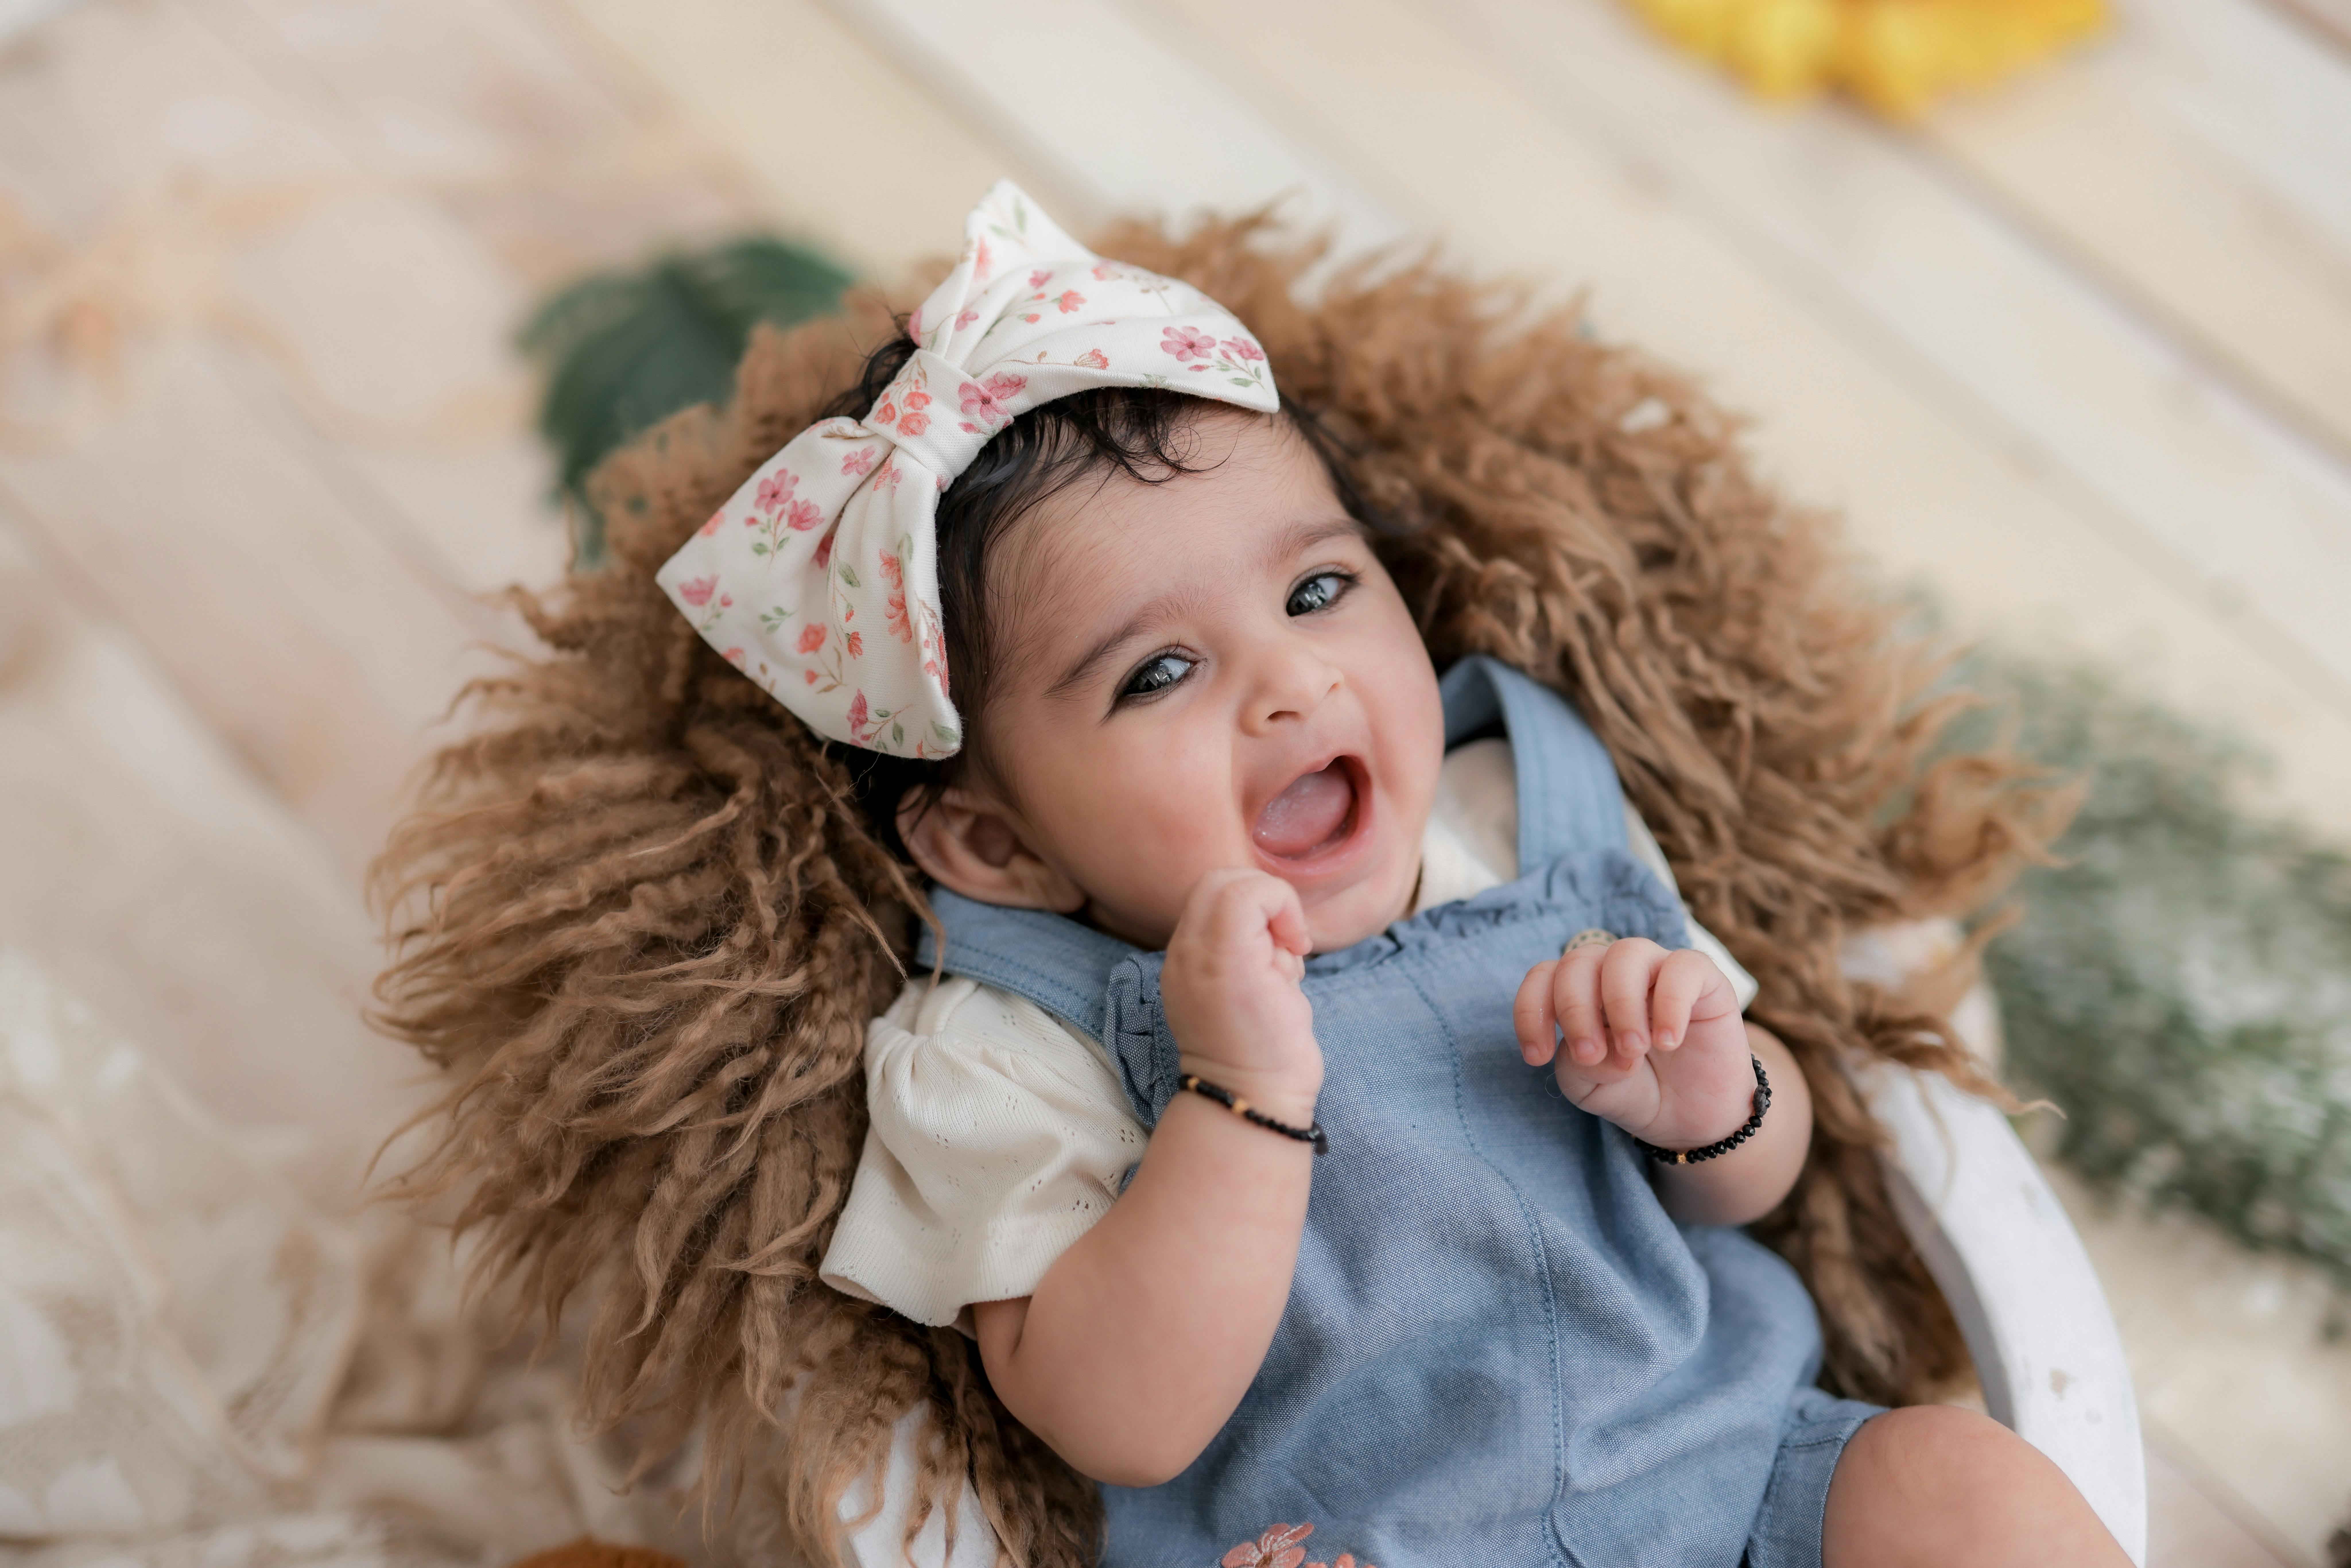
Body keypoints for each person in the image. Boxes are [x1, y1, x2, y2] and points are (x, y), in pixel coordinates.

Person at [372, 182, 2096, 1566]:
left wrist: (1713, 1094)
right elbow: (1115, 1420)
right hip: (1363, 1540)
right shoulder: (1008, 1040)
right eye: (1158, 675)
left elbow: (1752, 1190)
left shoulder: (1517, 811)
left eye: (1320, 590)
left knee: (1959, 1483)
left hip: (1743, 1484)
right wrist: (1241, 1095)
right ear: (1000, 839)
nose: (1288, 683)